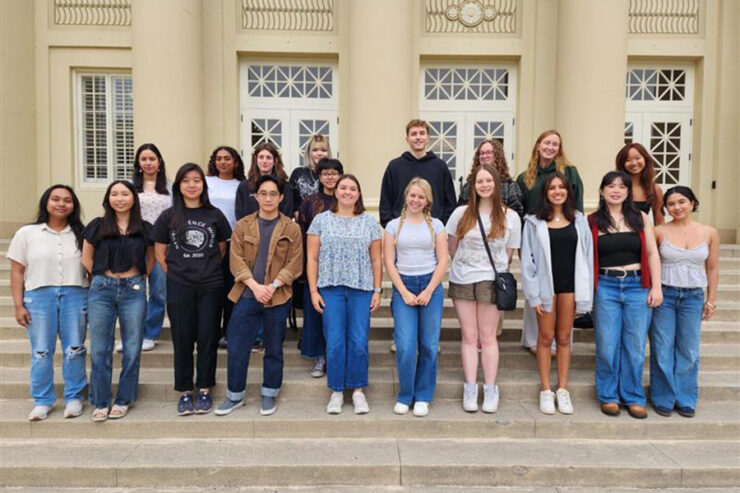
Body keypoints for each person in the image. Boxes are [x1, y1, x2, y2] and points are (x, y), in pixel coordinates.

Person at [215, 175, 303, 416]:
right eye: (263, 193)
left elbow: (295, 264)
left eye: (273, 194)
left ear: (281, 198)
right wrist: (255, 287)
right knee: (237, 345)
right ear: (256, 196)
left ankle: (269, 393)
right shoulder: (243, 225)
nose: (268, 198)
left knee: (274, 347)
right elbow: (236, 261)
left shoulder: (291, 228)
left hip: (278, 296)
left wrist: (272, 286)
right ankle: (234, 396)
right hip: (247, 293)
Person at [152, 163, 232, 416]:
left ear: (203, 185)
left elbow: (221, 248)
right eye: (186, 180)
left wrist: (204, 270)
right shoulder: (169, 216)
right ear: (178, 186)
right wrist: (176, 274)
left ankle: (205, 389)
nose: (192, 185)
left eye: (197, 180)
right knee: (183, 339)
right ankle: (186, 391)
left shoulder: (215, 215)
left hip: (210, 285)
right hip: (179, 286)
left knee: (208, 338)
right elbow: (159, 251)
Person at [7, 185, 88, 421]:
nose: (61, 204)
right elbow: (17, 271)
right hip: (39, 297)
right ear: (46, 202)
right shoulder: (27, 233)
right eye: (55, 199)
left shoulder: (81, 233)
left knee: (75, 349)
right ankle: (43, 400)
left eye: (67, 200)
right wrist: (18, 305)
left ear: (74, 205)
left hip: (75, 293)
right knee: (41, 351)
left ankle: (74, 398)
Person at [446, 164, 521, 413]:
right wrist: (467, 264)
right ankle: (470, 386)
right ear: (473, 186)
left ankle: (490, 387)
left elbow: (508, 253)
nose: (485, 185)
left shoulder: (510, 216)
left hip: (491, 279)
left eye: (489, 180)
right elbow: (452, 245)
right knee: (469, 336)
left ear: (496, 184)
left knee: (487, 337)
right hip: (463, 278)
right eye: (480, 181)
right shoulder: (460, 213)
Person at [307, 173, 383, 414]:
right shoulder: (321, 220)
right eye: (343, 188)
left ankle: (358, 390)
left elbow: (376, 259)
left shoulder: (369, 222)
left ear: (358, 194)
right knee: (335, 341)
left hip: (361, 288)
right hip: (331, 288)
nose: (347, 192)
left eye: (352, 188)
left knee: (359, 341)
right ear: (335, 191)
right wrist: (313, 290)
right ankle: (337, 391)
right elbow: (312, 257)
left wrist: (378, 289)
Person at [589, 170, 662, 419]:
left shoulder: (640, 218)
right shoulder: (592, 221)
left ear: (628, 192)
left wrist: (656, 286)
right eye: (610, 186)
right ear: (602, 191)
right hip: (606, 285)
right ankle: (608, 396)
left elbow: (652, 253)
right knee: (607, 345)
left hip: (637, 286)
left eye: (622, 186)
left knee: (634, 345)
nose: (616, 190)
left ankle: (633, 396)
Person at [521, 172, 593, 415]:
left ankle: (562, 389)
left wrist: (587, 293)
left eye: (561, 187)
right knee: (545, 337)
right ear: (545, 193)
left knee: (564, 339)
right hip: (545, 287)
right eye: (552, 188)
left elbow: (588, 256)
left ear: (568, 192)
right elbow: (528, 261)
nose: (557, 191)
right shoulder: (533, 222)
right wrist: (532, 294)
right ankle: (545, 390)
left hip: (570, 287)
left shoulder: (579, 221)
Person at [82, 181, 154, 422]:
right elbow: (86, 257)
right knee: (101, 348)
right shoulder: (97, 225)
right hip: (102, 289)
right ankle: (101, 401)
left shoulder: (144, 228)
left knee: (132, 347)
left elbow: (151, 259)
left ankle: (123, 399)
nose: (119, 198)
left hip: (133, 290)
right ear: (108, 198)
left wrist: (139, 278)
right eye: (114, 194)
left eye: (125, 194)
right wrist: (102, 278)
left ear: (133, 198)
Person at [649, 186, 719, 418]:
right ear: (665, 208)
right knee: (662, 347)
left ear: (692, 203)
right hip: (665, 296)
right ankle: (663, 397)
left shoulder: (709, 232)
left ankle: (686, 397)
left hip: (693, 296)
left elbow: (712, 267)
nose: (676, 207)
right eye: (671, 204)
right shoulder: (658, 231)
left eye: (681, 202)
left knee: (688, 349)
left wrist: (711, 299)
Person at [384, 178, 448, 417]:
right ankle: (405, 394)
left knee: (429, 345)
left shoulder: (437, 226)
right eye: (412, 195)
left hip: (430, 285)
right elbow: (389, 262)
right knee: (406, 346)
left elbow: (443, 260)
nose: (416, 200)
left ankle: (423, 396)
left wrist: (429, 289)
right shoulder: (393, 226)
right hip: (404, 287)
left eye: (421, 196)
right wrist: (403, 291)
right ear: (406, 196)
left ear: (427, 200)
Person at [517, 130, 584, 355]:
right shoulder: (526, 176)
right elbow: (520, 210)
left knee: (564, 291)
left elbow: (578, 204)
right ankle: (535, 340)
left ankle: (559, 342)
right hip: (534, 235)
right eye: (546, 143)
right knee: (536, 289)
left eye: (555, 144)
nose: (550, 147)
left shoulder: (569, 173)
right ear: (538, 145)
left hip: (563, 234)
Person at [297, 158, 344, 377]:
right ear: (320, 176)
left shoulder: (346, 199)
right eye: (325, 173)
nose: (330, 177)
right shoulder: (310, 202)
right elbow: (303, 235)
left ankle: (337, 355)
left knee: (338, 316)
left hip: (341, 268)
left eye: (334, 173)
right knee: (316, 314)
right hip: (315, 265)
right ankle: (319, 357)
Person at [126, 143, 171, 352]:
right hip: (135, 244)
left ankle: (150, 333)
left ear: (159, 162)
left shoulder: (170, 188)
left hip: (162, 246)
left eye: (152, 159)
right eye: (144, 159)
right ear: (138, 163)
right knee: (134, 291)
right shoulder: (129, 187)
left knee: (159, 291)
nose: (148, 163)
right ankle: (132, 334)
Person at [379, 119, 456, 228]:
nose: (418, 137)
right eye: (414, 134)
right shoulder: (394, 167)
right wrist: (392, 227)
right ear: (407, 139)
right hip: (400, 231)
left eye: (422, 133)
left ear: (428, 138)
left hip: (433, 231)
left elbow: (450, 202)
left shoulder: (440, 167)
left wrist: (440, 226)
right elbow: (385, 202)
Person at [205, 146, 246, 348]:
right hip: (209, 243)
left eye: (227, 158)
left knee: (232, 289)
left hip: (234, 243)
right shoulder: (206, 182)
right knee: (213, 289)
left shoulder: (242, 185)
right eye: (219, 158)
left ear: (235, 162)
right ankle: (211, 333)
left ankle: (229, 332)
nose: (222, 162)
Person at [457, 139, 523, 217]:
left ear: (497, 155)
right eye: (482, 153)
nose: (484, 156)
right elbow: (460, 213)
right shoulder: (469, 185)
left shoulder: (510, 186)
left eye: (488, 153)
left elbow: (517, 213)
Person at [235, 142, 294, 220]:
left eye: (269, 158)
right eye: (261, 157)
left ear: (275, 161)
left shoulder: (285, 187)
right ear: (256, 160)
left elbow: (287, 215)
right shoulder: (244, 186)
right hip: (249, 231)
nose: (264, 161)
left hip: (279, 231)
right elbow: (240, 215)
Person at [615, 143, 664, 225]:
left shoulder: (655, 189)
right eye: (628, 160)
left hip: (642, 234)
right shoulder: (616, 187)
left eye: (637, 158)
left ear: (645, 159)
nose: (634, 163)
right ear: (622, 163)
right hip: (617, 234)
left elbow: (659, 221)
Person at [289, 134, 332, 216]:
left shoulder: (333, 175)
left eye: (323, 150)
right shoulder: (298, 173)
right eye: (315, 150)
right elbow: (291, 201)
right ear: (309, 152)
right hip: (303, 222)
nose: (319, 153)